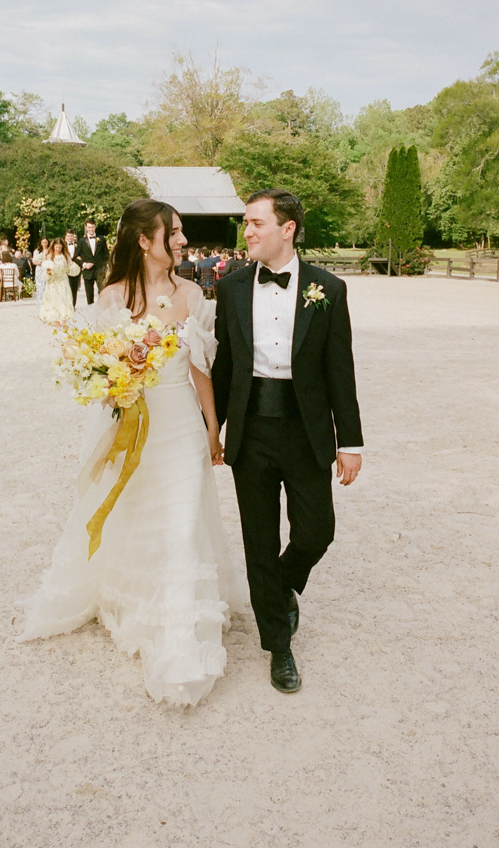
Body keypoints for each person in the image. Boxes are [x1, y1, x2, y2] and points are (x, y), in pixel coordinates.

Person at [20, 199, 245, 706]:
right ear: (145, 241)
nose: (184, 241)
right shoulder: (111, 297)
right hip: (134, 424)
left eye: (183, 232)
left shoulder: (192, 295)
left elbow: (200, 369)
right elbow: (98, 374)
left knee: (183, 522)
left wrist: (213, 428)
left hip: (182, 426)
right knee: (135, 512)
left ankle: (180, 635)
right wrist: (113, 383)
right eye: (175, 232)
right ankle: (137, 599)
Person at [212, 188, 364, 695]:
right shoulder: (231, 288)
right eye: (246, 223)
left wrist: (352, 442)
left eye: (256, 222)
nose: (247, 231)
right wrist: (210, 430)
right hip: (250, 430)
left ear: (288, 228)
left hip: (306, 432)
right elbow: (223, 367)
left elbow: (340, 371)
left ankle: (278, 588)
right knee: (259, 542)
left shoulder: (329, 289)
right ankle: (279, 646)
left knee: (317, 530)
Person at [39, 237, 79, 325]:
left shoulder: (65, 255)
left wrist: (73, 268)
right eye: (56, 247)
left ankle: (63, 318)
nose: (58, 249)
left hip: (63, 279)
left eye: (60, 247)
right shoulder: (49, 255)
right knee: (54, 299)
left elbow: (70, 265)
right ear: (53, 247)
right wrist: (48, 270)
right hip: (53, 280)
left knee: (63, 298)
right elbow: (45, 266)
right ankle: (56, 319)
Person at [75, 219, 109, 305]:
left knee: (102, 292)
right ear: (86, 228)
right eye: (89, 227)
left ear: (95, 227)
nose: (91, 229)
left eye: (92, 227)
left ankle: (102, 309)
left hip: (100, 271)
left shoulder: (101, 239)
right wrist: (84, 264)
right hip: (88, 272)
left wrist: (105, 267)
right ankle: (91, 313)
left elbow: (106, 255)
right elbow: (75, 257)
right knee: (89, 296)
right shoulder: (81, 241)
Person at [64, 228, 81, 307]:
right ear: (66, 237)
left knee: (74, 288)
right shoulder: (63, 246)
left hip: (75, 269)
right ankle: (66, 305)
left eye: (71, 236)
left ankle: (73, 305)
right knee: (65, 288)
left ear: (73, 237)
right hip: (65, 270)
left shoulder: (78, 245)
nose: (70, 238)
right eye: (68, 236)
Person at [32, 238, 50, 311]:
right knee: (40, 287)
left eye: (46, 242)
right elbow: (34, 261)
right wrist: (40, 262)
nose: (44, 244)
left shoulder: (50, 250)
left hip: (47, 269)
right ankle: (40, 304)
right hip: (40, 269)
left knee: (47, 287)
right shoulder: (37, 251)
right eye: (43, 243)